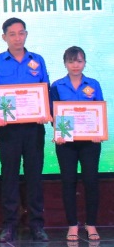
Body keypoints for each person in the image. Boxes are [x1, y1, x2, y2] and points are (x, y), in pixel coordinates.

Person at [0, 17, 50, 242]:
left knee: (34, 177)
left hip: (34, 129)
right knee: (9, 177)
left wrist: (46, 111)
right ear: (4, 37)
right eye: (12, 34)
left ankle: (36, 225)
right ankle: (9, 225)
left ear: (26, 35)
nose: (17, 38)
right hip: (8, 131)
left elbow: (45, 91)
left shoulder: (38, 60)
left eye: (21, 33)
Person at [50, 46, 103, 242]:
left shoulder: (93, 84)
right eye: (71, 61)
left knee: (91, 181)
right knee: (68, 182)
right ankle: (72, 225)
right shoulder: (57, 86)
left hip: (90, 142)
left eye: (79, 61)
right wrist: (59, 132)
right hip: (66, 143)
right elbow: (54, 114)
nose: (75, 65)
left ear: (85, 63)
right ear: (65, 63)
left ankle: (91, 224)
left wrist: (98, 132)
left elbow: (99, 110)